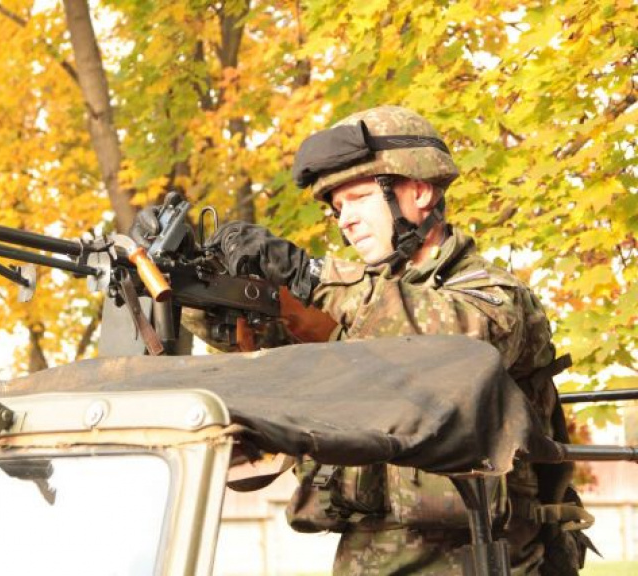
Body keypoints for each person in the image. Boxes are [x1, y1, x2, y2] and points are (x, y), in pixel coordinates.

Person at [179, 106, 588, 574]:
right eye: (338, 209)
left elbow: (449, 343)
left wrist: (310, 274)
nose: (345, 220)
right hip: (369, 558)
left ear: (420, 191)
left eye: (358, 198)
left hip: (484, 558)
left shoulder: (494, 294)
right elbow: (261, 343)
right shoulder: (353, 305)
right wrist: (194, 285)